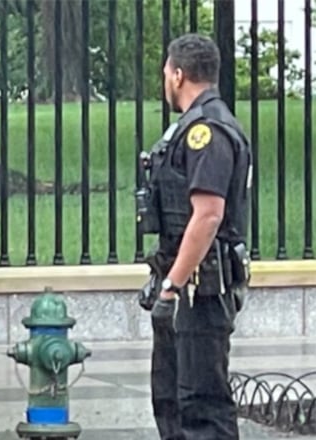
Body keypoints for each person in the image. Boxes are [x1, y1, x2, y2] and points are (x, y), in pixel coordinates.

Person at [134, 34, 252, 440]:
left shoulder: (207, 133)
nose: (164, 78)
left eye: (167, 71)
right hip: (186, 291)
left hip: (200, 293)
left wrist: (171, 286)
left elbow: (207, 216)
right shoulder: (189, 128)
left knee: (201, 408)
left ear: (179, 74)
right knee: (172, 403)